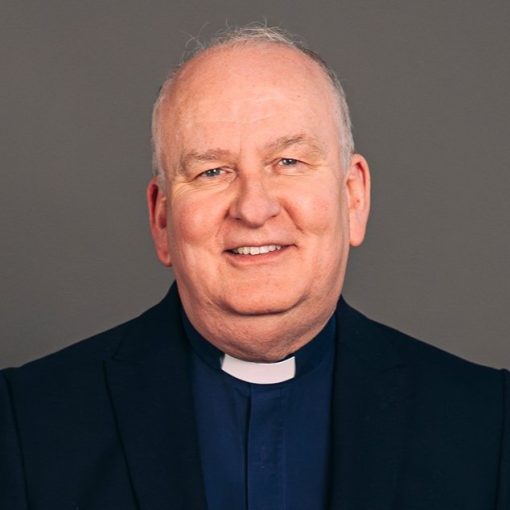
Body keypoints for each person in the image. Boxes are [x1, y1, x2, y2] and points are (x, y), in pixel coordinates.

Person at [1, 25, 508, 510]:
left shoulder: (490, 423)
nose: (253, 207)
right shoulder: (24, 424)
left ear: (353, 197)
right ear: (162, 219)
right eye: (212, 171)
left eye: (288, 162)